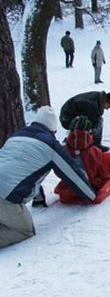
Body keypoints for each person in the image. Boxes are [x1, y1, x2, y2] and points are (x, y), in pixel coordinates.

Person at [0, 106, 96, 249]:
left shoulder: (16, 136)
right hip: (4, 195)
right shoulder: (49, 145)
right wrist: (92, 196)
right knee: (23, 230)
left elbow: (27, 172)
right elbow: (72, 174)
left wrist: (38, 199)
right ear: (53, 130)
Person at [56, 116, 110, 197]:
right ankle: (83, 179)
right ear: (89, 132)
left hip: (69, 185)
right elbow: (105, 171)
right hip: (91, 186)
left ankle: (77, 179)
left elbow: (58, 171)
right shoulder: (94, 152)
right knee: (103, 168)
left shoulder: (63, 151)